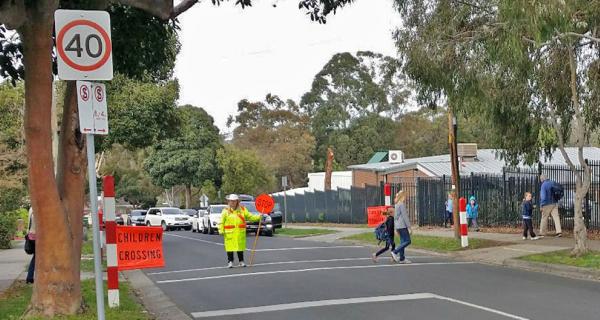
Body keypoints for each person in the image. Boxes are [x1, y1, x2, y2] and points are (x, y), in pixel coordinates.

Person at [218, 194, 263, 268]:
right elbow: (221, 221)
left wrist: (259, 217)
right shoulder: (225, 211)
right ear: (228, 202)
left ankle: (241, 261)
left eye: (234, 201)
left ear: (237, 201)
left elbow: (250, 217)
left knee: (240, 248)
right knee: (230, 248)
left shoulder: (242, 209)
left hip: (240, 233)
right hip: (230, 233)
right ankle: (230, 262)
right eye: (231, 201)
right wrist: (221, 230)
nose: (232, 202)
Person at [391, 191, 412, 264]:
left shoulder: (396, 205)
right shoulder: (401, 204)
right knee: (408, 241)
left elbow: (395, 217)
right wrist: (409, 227)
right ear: (402, 196)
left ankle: (402, 258)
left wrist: (395, 228)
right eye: (405, 196)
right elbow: (405, 217)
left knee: (403, 241)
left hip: (398, 226)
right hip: (403, 226)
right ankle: (395, 251)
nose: (406, 197)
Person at [26, 207, 35, 284]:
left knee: (36, 257)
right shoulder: (39, 208)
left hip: (31, 235)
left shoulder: (31, 209)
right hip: (37, 236)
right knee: (36, 258)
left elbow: (29, 223)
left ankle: (30, 277)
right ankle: (29, 277)